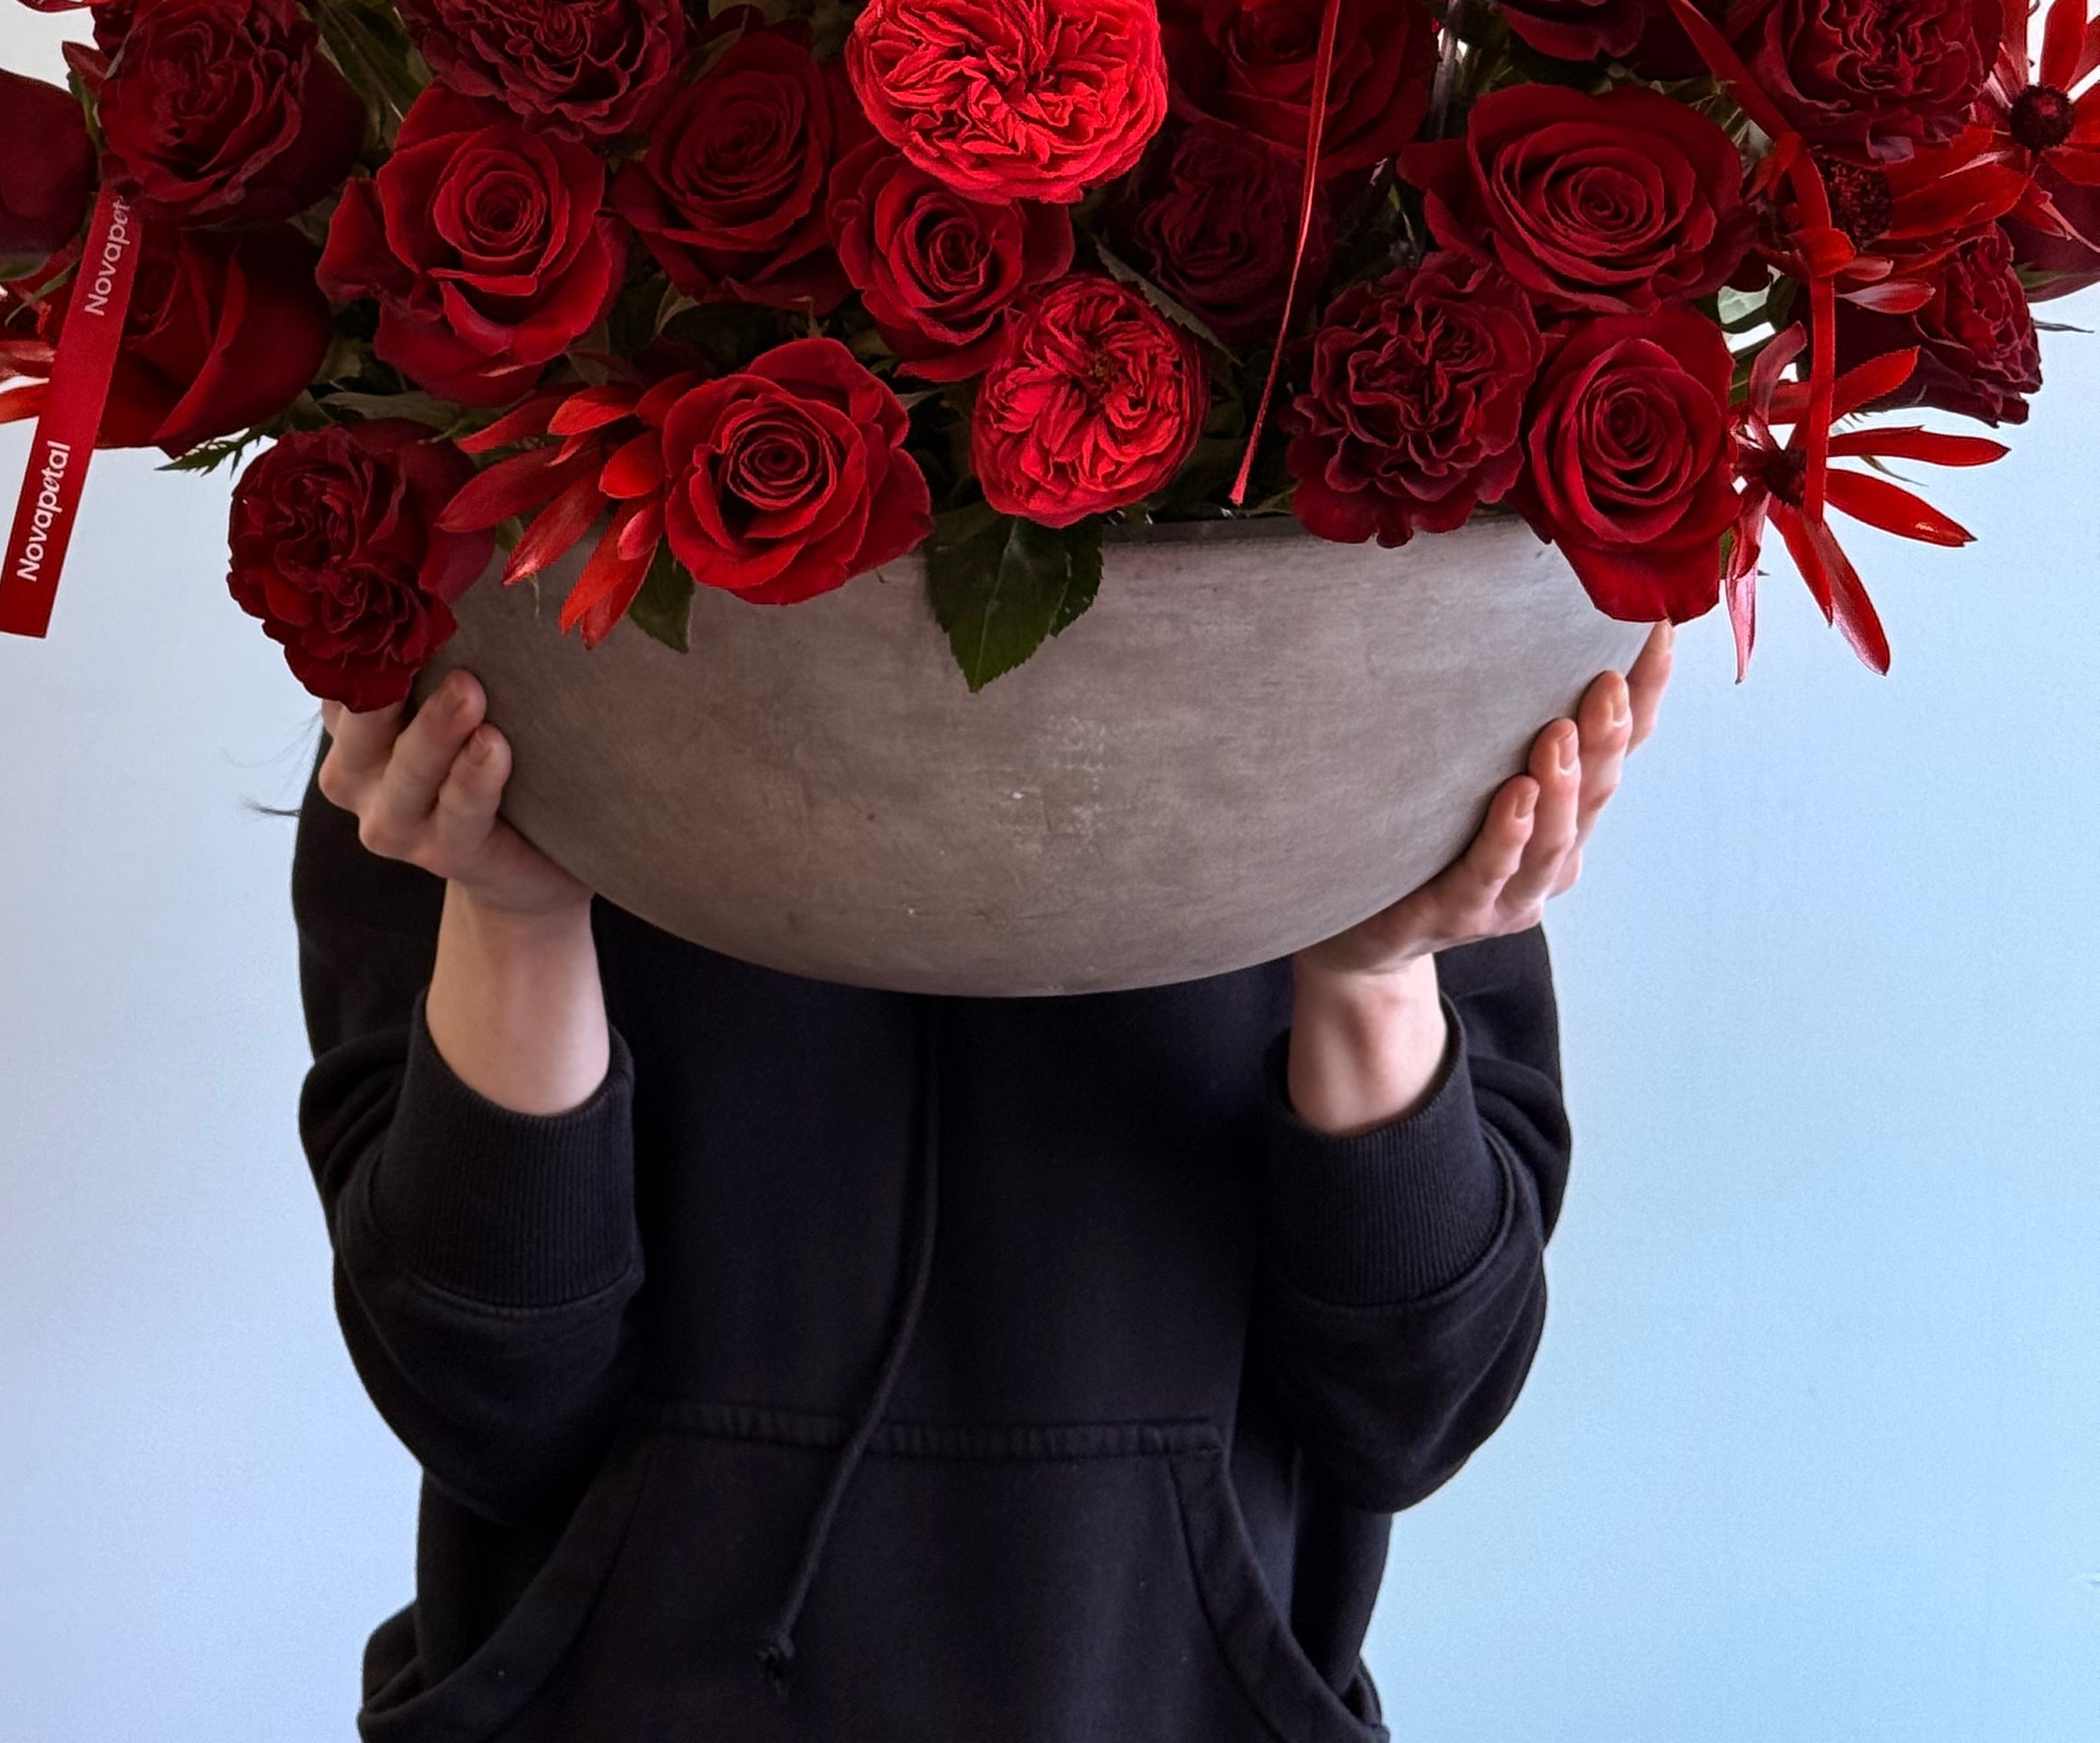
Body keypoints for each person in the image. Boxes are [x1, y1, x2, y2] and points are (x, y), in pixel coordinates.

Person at [296, 621, 1673, 1739]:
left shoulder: (1346, 670)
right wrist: (517, 913)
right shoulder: (506, 672)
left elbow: (1412, 1407)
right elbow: (489, 1404)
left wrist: (1369, 966)